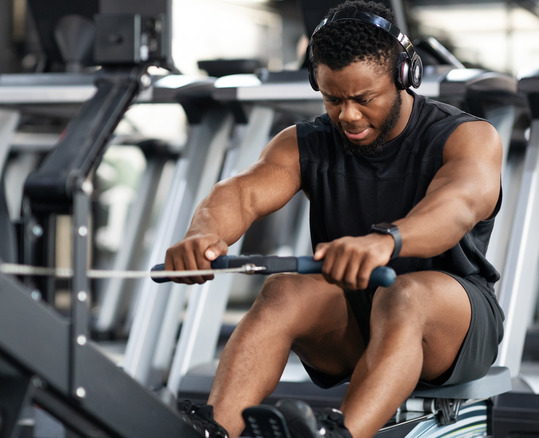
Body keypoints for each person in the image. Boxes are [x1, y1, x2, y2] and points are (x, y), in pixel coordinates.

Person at [165, 1, 505, 437]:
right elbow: (242, 192)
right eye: (332, 99)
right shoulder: (303, 143)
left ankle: (342, 434)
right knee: (282, 290)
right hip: (357, 316)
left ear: (404, 78)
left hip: (450, 322)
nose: (347, 115)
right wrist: (204, 236)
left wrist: (386, 241)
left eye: (364, 99)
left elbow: (455, 206)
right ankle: (217, 430)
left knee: (405, 295)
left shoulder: (467, 136)